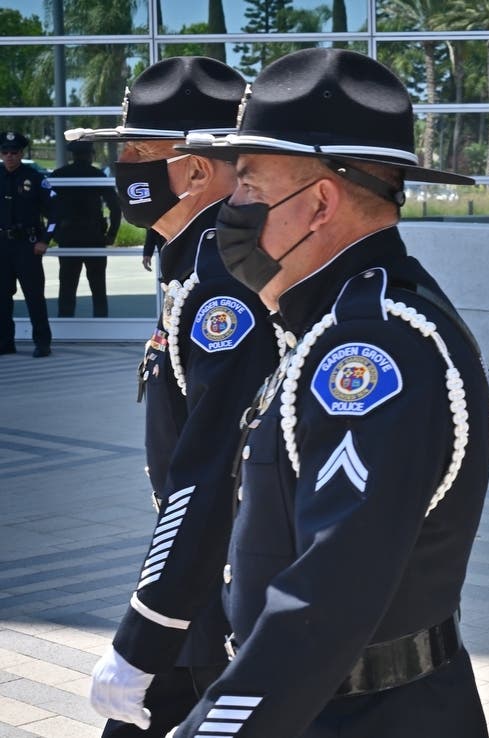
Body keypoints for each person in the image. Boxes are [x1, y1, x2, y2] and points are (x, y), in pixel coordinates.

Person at [170, 47, 489, 738]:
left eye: (251, 186)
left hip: (367, 717)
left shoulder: (372, 349)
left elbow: (324, 600)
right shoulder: (330, 323)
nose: (233, 208)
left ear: (320, 203)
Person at [67, 57, 282, 738]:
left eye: (135, 151)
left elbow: (211, 467)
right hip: (198, 591)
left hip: (216, 599)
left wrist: (146, 632)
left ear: (194, 171)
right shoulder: (190, 264)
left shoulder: (219, 281)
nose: (122, 168)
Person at [0, 131, 56, 357]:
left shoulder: (34, 178)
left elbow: (55, 212)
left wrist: (45, 240)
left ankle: (42, 343)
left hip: (28, 246)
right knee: (2, 299)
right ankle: (5, 342)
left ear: (21, 153)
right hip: (2, 248)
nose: (10, 156)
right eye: (5, 152)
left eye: (14, 152)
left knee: (34, 297)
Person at [51, 140, 121, 317]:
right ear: (91, 155)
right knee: (98, 286)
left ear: (72, 155)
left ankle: (65, 321)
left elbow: (47, 206)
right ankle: (101, 321)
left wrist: (54, 232)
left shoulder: (60, 175)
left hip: (68, 237)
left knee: (67, 285)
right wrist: (111, 234)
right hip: (94, 236)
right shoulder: (96, 175)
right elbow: (115, 207)